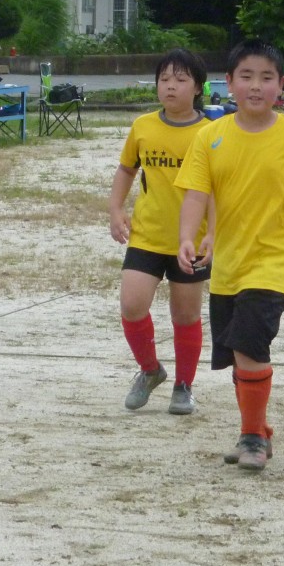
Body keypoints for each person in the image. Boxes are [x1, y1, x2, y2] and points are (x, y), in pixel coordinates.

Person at [175, 38, 284, 471]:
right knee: (238, 353)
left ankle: (251, 438)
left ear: (281, 85)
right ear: (228, 83)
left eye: (266, 78)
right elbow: (195, 194)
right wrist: (187, 237)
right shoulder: (210, 136)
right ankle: (258, 429)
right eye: (246, 76)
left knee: (250, 342)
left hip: (275, 262)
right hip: (228, 265)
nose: (256, 86)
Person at [109, 48, 214, 415]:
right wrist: (116, 209)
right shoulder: (143, 126)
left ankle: (184, 386)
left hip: (191, 241)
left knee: (185, 316)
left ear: (198, 87)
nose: (171, 86)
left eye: (181, 79)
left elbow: (220, 189)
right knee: (131, 305)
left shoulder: (211, 132)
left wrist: (213, 234)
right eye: (164, 79)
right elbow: (127, 169)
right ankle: (150, 369)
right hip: (147, 235)